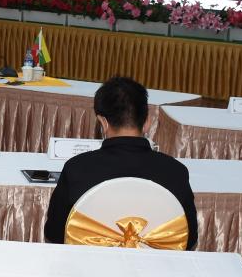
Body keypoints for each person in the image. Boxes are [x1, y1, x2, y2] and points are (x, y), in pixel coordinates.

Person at [44, 77, 199, 247]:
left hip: (90, 262)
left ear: (103, 122)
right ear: (147, 122)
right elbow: (188, 237)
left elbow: (55, 233)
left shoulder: (77, 169)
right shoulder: (175, 171)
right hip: (156, 263)